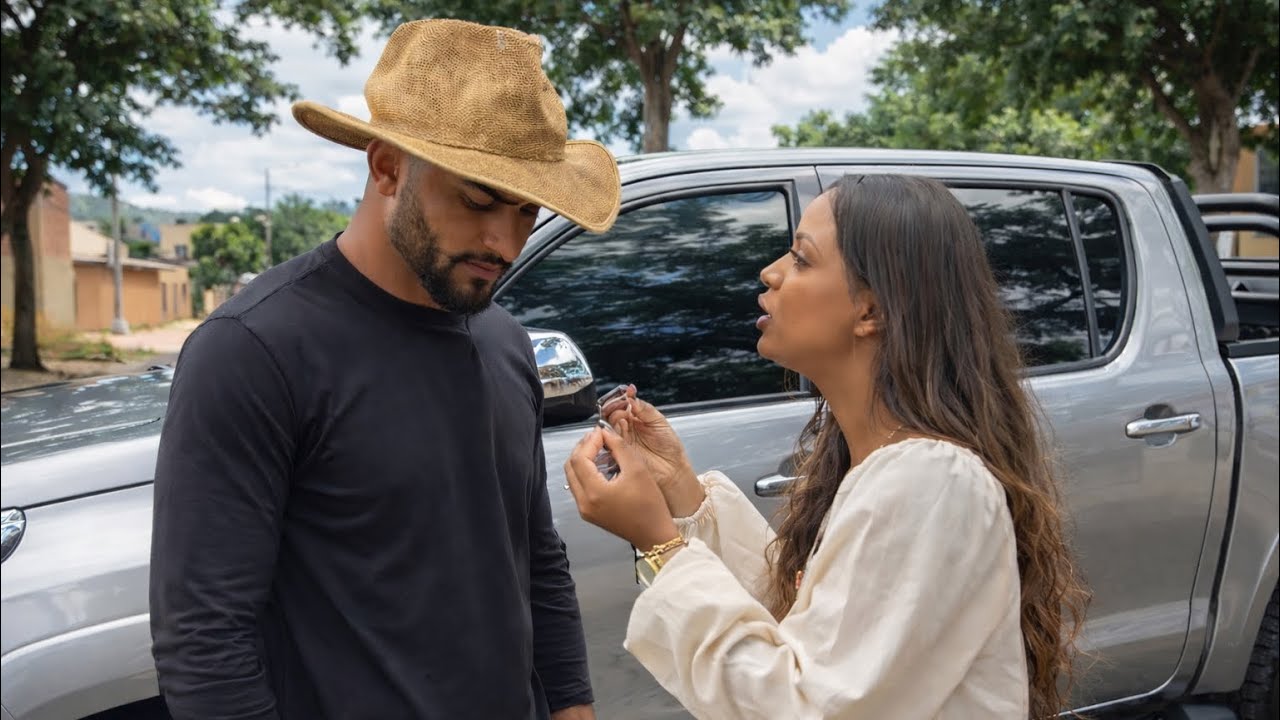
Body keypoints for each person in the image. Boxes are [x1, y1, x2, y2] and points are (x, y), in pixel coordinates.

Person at [149, 19, 619, 720]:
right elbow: (204, 639)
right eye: (478, 199)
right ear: (386, 167)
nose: (505, 240)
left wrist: (573, 709)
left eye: (527, 210)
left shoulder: (505, 343)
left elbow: (534, 560)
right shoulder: (254, 350)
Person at [562, 174, 1090, 718]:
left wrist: (661, 547)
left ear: (872, 312)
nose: (770, 273)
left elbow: (807, 704)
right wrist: (678, 491)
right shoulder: (889, 465)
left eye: (801, 259)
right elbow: (812, 632)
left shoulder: (931, 480)